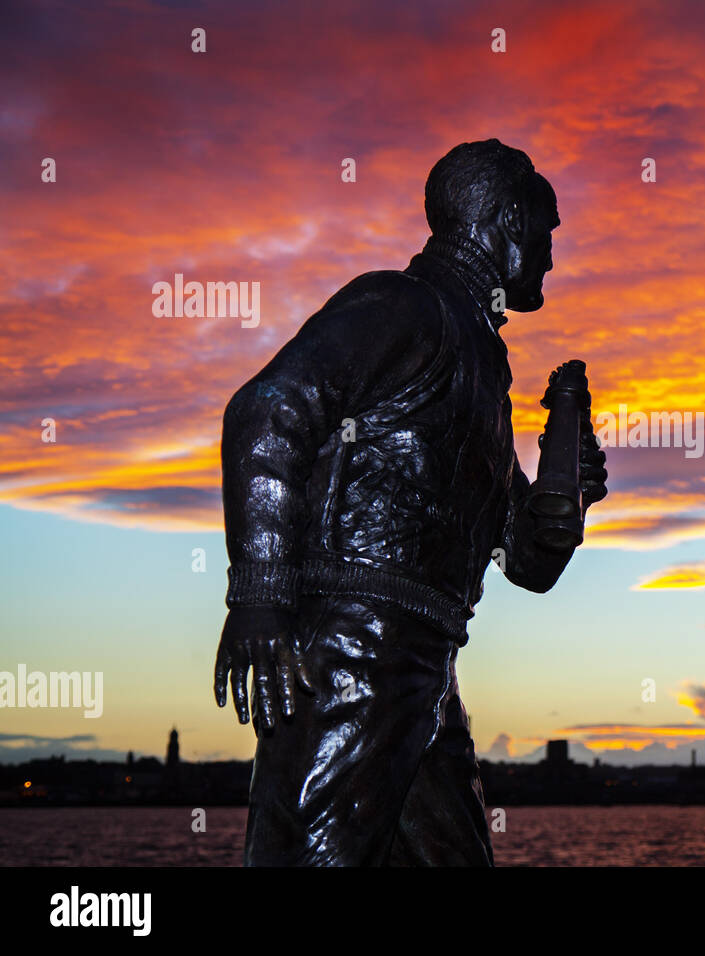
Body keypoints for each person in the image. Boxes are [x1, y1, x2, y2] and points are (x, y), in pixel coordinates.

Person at [213, 139, 607, 865]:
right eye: (547, 232)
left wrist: (566, 501)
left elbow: (527, 563)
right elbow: (266, 412)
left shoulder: (484, 372)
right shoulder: (402, 305)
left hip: (427, 676)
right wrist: (261, 595)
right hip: (348, 650)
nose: (552, 256)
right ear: (507, 219)